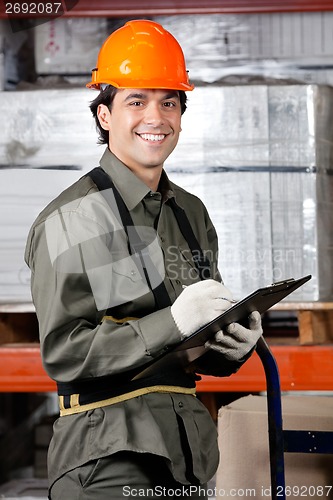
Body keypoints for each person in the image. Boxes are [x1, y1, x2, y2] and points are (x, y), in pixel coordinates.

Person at [25, 19, 263, 500]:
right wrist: (172, 322)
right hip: (107, 460)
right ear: (104, 115)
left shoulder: (191, 213)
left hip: (186, 456)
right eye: (136, 101)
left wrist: (227, 348)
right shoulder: (72, 219)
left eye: (169, 101)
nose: (156, 117)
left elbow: (188, 345)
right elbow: (65, 352)